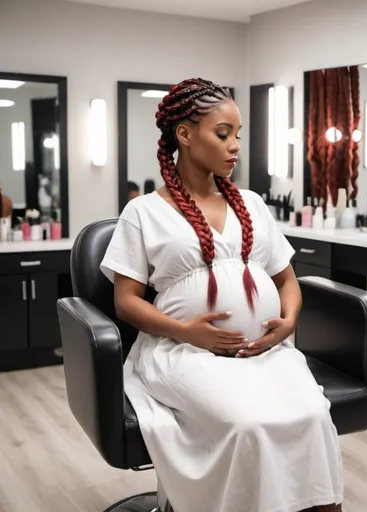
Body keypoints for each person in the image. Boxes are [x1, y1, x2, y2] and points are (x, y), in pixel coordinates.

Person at [100, 79, 344, 512]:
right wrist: (188, 333)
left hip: (265, 353)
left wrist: (288, 322)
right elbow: (126, 302)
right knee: (246, 423)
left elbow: (287, 280)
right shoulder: (143, 212)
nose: (235, 146)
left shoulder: (251, 203)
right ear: (185, 134)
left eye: (238, 135)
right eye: (223, 133)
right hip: (182, 352)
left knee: (311, 416)